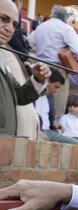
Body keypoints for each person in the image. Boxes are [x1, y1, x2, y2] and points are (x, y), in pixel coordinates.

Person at [0, 0, 51, 136]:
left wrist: (37, 79)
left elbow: (19, 95)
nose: (9, 28)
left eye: (14, 24)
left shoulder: (2, 58)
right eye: (4, 19)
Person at [33, 5, 78, 118]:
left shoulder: (41, 26)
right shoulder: (66, 28)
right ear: (65, 17)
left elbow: (30, 42)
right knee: (58, 104)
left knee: (37, 99)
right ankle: (55, 125)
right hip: (57, 68)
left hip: (38, 65)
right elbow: (77, 51)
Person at [34, 69, 78, 145]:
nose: (56, 91)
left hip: (48, 131)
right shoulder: (33, 93)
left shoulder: (49, 98)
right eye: (55, 87)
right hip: (36, 130)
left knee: (76, 143)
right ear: (47, 81)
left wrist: (53, 123)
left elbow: (47, 117)